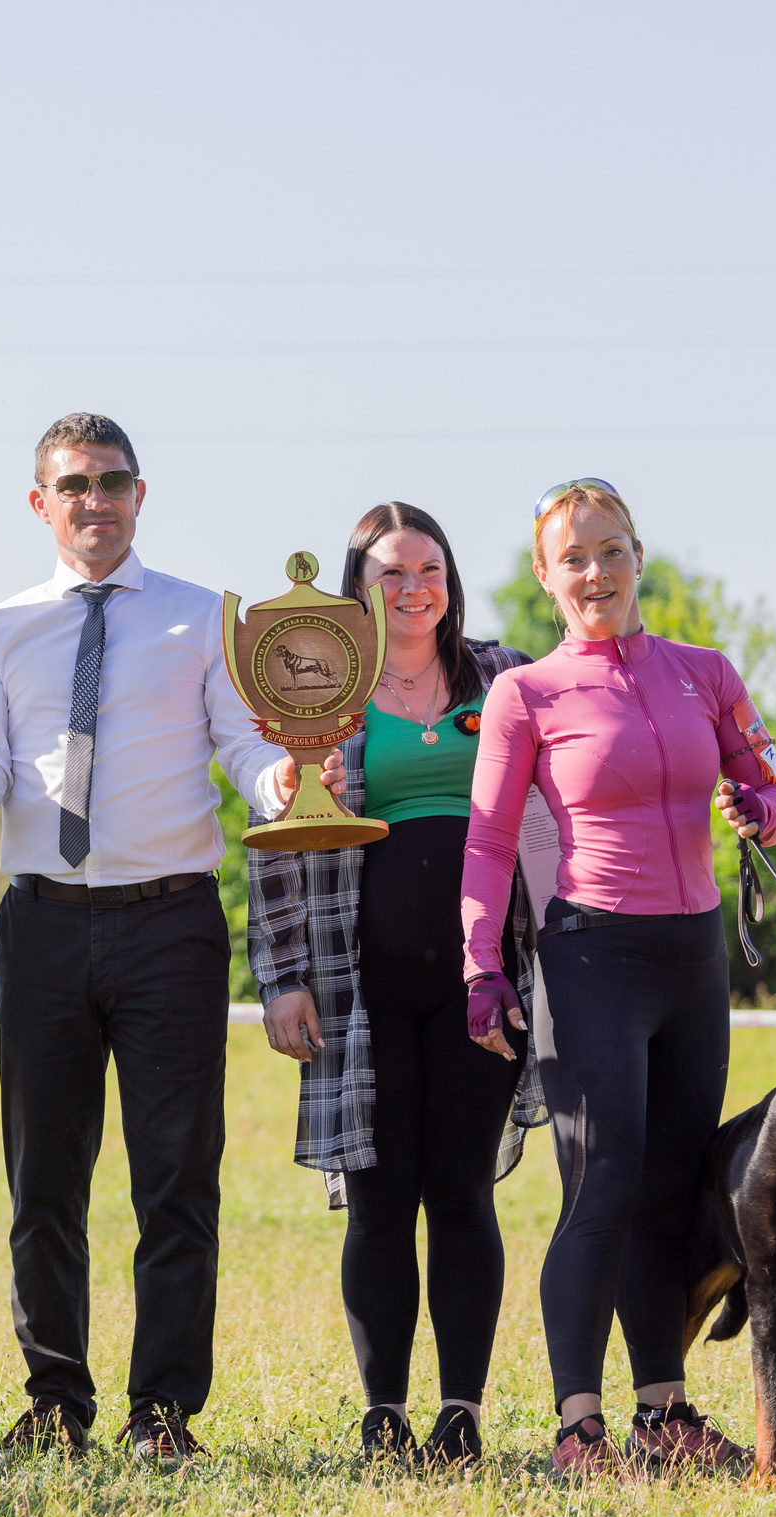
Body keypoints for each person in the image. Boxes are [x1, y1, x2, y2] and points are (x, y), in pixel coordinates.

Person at [0, 413, 338, 1468]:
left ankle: (163, 1413)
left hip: (171, 925)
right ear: (40, 503)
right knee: (43, 1179)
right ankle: (55, 1400)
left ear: (139, 496)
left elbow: (241, 743)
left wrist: (279, 779)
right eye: (74, 485)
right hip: (43, 924)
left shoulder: (204, 618)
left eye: (112, 482)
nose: (94, 501)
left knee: (177, 1177)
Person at [462, 477, 776, 1476]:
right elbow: (485, 842)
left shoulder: (705, 673)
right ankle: (578, 1427)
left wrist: (760, 813)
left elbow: (772, 793)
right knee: (599, 1185)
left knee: (671, 1189)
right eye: (574, 557)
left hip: (690, 958)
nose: (595, 572)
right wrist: (482, 968)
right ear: (544, 577)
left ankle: (665, 1415)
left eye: (610, 550)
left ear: (637, 556)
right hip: (590, 955)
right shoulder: (525, 693)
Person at [249, 501, 554, 1468]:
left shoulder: (504, 676)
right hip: (353, 983)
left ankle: (459, 1412)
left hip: (484, 978)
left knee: (462, 1190)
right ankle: (383, 1415)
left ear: (451, 581)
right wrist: (282, 976)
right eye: (390, 572)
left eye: (429, 568)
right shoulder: (322, 689)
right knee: (380, 1198)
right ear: (358, 587)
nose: (413, 587)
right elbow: (275, 849)